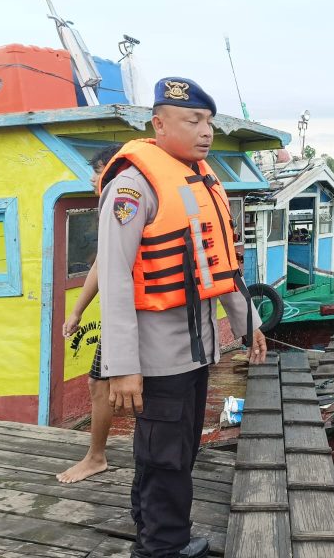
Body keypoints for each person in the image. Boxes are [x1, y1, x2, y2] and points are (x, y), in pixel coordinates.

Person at [97, 77, 266, 558]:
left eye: (208, 121)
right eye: (193, 120)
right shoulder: (132, 187)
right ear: (159, 124)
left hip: (198, 351)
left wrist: (249, 324)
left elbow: (221, 264)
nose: (205, 131)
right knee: (163, 458)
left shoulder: (200, 180)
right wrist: (122, 366)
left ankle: (160, 537)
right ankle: (161, 548)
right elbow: (114, 278)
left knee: (178, 451)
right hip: (158, 358)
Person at [56, 143, 123, 484]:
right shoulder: (114, 203)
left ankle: (96, 457)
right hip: (123, 317)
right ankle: (97, 455)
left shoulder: (124, 203)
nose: (93, 179)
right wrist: (77, 311)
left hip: (133, 316)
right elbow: (101, 262)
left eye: (97, 171)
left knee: (103, 384)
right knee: (102, 383)